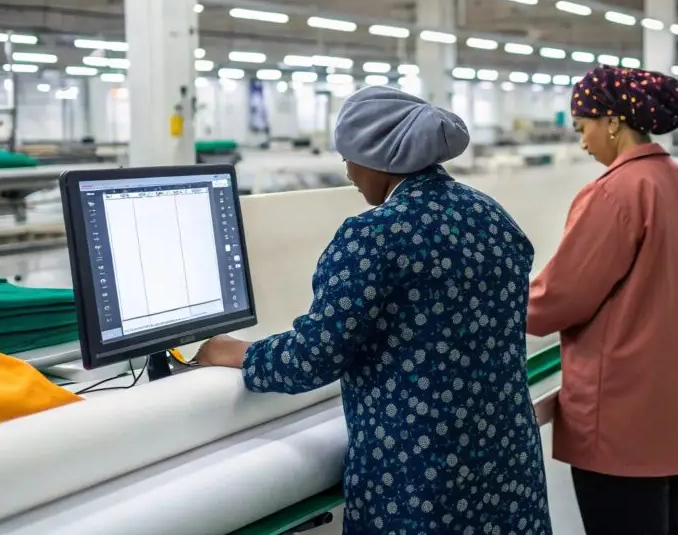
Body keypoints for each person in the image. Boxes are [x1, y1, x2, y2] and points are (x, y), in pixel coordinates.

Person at [197, 86, 552, 535]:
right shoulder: (492, 216)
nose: (347, 171)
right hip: (505, 459)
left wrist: (237, 353)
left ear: (378, 157)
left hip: (420, 476)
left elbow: (313, 356)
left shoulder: (373, 236)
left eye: (349, 157)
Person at [527, 66, 678, 535]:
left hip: (623, 416)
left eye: (583, 127)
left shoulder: (614, 191)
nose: (583, 142)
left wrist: (488, 306)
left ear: (611, 120)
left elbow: (560, 298)